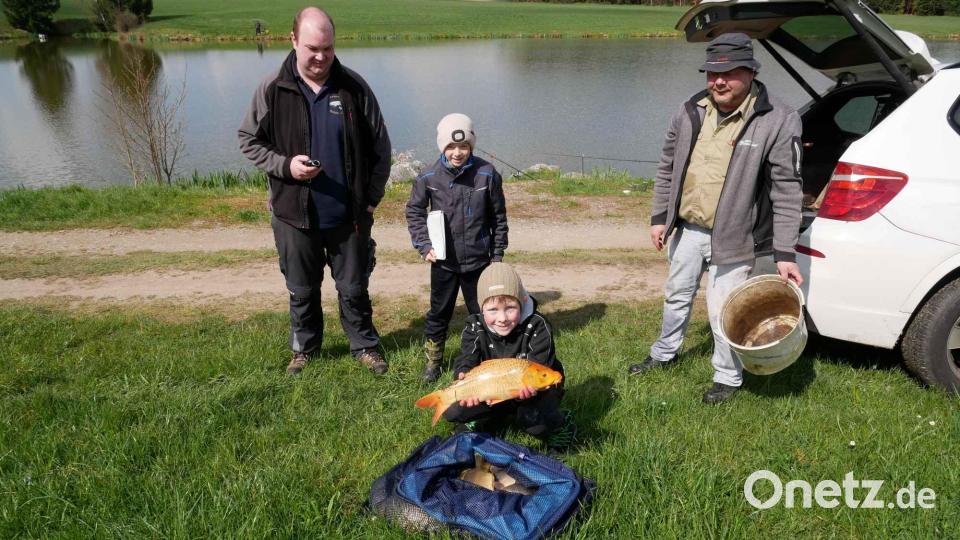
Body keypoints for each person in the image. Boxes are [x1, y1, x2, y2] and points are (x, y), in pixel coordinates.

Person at [627, 33, 804, 404]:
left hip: (736, 237)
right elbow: (667, 166)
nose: (718, 81)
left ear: (751, 72)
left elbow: (787, 189)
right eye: (712, 73)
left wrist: (785, 252)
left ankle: (727, 377)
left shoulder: (778, 118)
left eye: (729, 73)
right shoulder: (690, 109)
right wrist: (660, 216)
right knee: (676, 295)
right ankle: (664, 353)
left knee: (724, 310)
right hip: (687, 229)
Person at [238, 7, 392, 376]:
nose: (321, 57)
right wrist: (285, 166)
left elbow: (381, 148)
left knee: (354, 287)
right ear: (293, 41)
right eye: (312, 49)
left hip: (349, 216)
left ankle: (365, 346)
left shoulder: (354, 87)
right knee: (302, 289)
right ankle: (304, 349)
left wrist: (370, 201)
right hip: (293, 214)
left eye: (328, 48)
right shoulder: (273, 88)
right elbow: (248, 140)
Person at [406, 113, 509, 382]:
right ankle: (433, 361)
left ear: (471, 146)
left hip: (479, 262)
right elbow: (414, 212)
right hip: (444, 262)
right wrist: (424, 245)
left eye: (463, 146)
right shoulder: (428, 177)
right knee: (439, 313)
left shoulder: (487, 174)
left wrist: (497, 254)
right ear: (442, 146)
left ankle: (487, 358)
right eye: (451, 147)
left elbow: (499, 217)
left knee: (483, 313)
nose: (457, 153)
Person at [442, 263, 576, 451]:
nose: (502, 318)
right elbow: (467, 358)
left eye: (510, 308)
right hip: (492, 387)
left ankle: (561, 426)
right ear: (481, 307)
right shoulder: (474, 325)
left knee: (532, 420)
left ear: (523, 301)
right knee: (452, 410)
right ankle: (489, 417)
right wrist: (462, 373)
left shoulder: (538, 325)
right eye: (493, 310)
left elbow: (540, 368)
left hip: (534, 389)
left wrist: (526, 393)